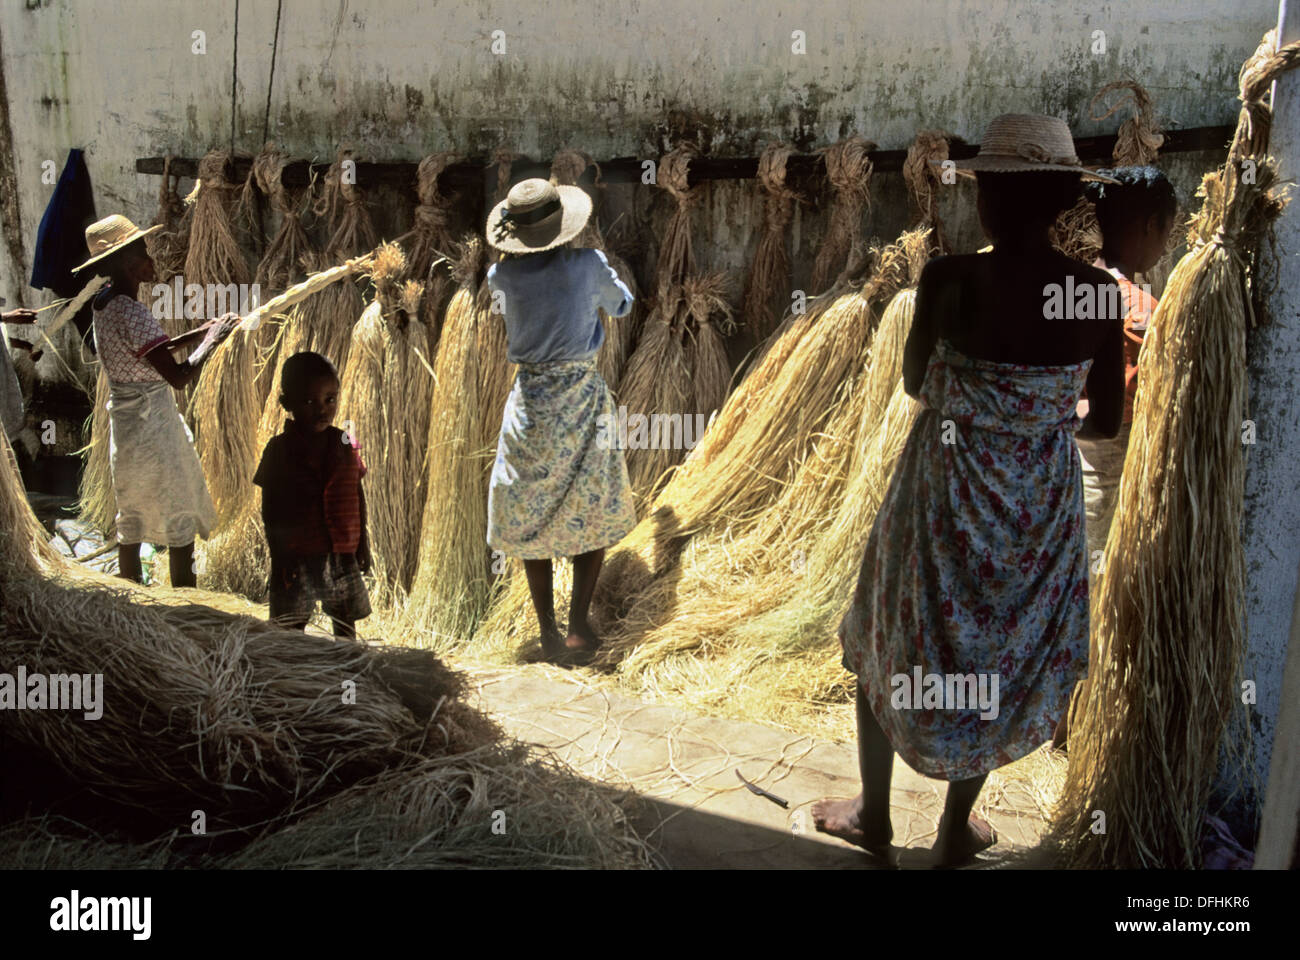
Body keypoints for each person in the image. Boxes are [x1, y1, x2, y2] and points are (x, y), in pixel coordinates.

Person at [812, 114, 1126, 867]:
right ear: (1062, 204)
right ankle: (955, 829)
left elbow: (917, 381)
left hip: (941, 493)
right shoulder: (1095, 294)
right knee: (998, 651)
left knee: (890, 636)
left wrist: (983, 414)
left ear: (985, 201)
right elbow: (1107, 419)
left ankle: (876, 815)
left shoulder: (950, 279)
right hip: (1034, 509)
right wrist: (1034, 428)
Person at [484, 177, 637, 664]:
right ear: (566, 227)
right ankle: (577, 629)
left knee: (532, 515)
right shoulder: (588, 264)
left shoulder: (501, 278)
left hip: (531, 406)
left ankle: (547, 633)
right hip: (581, 406)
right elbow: (623, 305)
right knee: (590, 509)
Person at [71, 215, 236, 587]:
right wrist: (214, 341)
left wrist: (202, 331)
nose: (151, 258)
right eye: (144, 252)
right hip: (153, 429)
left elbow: (149, 351)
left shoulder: (104, 303)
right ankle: (186, 607)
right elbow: (177, 376)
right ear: (129, 263)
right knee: (177, 512)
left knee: (131, 515)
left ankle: (131, 597)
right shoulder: (132, 310)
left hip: (128, 428)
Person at [1077, 166, 1176, 561]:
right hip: (1107, 488)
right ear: (1152, 225)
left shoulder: (1070, 287)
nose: (1166, 247)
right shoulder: (1143, 310)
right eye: (1168, 232)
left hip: (1059, 479)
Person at [253, 351, 371, 638]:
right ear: (287, 403)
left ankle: (346, 672)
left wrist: (362, 544)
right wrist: (278, 553)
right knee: (291, 625)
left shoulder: (345, 444)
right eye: (309, 401)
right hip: (296, 555)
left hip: (340, 552)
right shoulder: (279, 450)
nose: (322, 409)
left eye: (330, 399)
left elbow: (356, 492)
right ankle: (295, 674)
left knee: (344, 622)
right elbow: (270, 508)